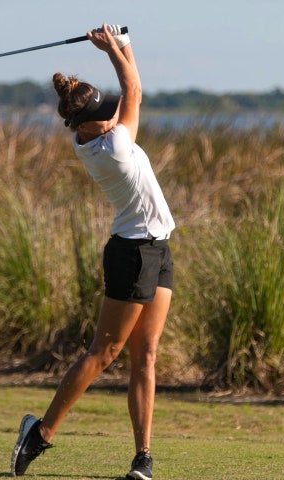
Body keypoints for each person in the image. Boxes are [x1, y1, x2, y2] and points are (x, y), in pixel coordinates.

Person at [10, 24, 175, 480]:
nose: (111, 113)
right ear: (87, 125)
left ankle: (142, 457)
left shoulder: (96, 135)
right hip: (132, 253)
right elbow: (133, 88)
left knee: (146, 356)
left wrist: (124, 45)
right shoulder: (114, 146)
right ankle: (39, 434)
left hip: (157, 249)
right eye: (104, 112)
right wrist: (110, 48)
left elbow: (129, 91)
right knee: (103, 353)